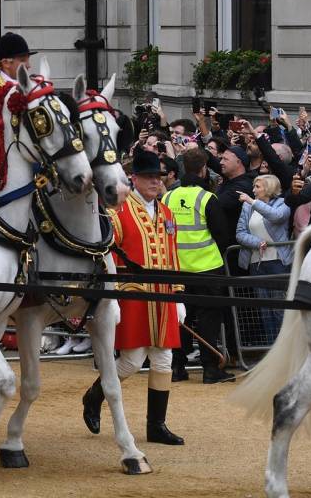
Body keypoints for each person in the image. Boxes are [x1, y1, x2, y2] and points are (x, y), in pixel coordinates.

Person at [82, 148, 185, 446]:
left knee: (163, 358)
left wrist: (178, 297)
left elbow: (173, 255)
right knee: (132, 360)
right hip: (133, 295)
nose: (156, 182)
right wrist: (110, 295)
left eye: (159, 177)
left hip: (163, 297)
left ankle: (157, 426)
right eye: (150, 177)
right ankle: (93, 396)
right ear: (134, 179)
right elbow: (107, 254)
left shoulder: (166, 212)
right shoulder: (118, 212)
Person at [159, 149, 234, 384]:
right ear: (203, 169)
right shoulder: (207, 198)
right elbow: (222, 235)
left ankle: (178, 367)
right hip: (207, 268)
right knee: (208, 321)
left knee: (181, 319)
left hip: (177, 269)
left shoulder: (168, 197)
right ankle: (210, 369)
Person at [235, 174, 292, 343]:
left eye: (257, 187)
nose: (253, 190)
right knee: (264, 310)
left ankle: (283, 348)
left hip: (277, 263)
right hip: (256, 263)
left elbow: (276, 217)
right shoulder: (247, 208)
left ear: (269, 188)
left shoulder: (282, 204)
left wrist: (252, 202)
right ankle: (269, 350)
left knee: (279, 309)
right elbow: (240, 233)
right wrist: (257, 241)